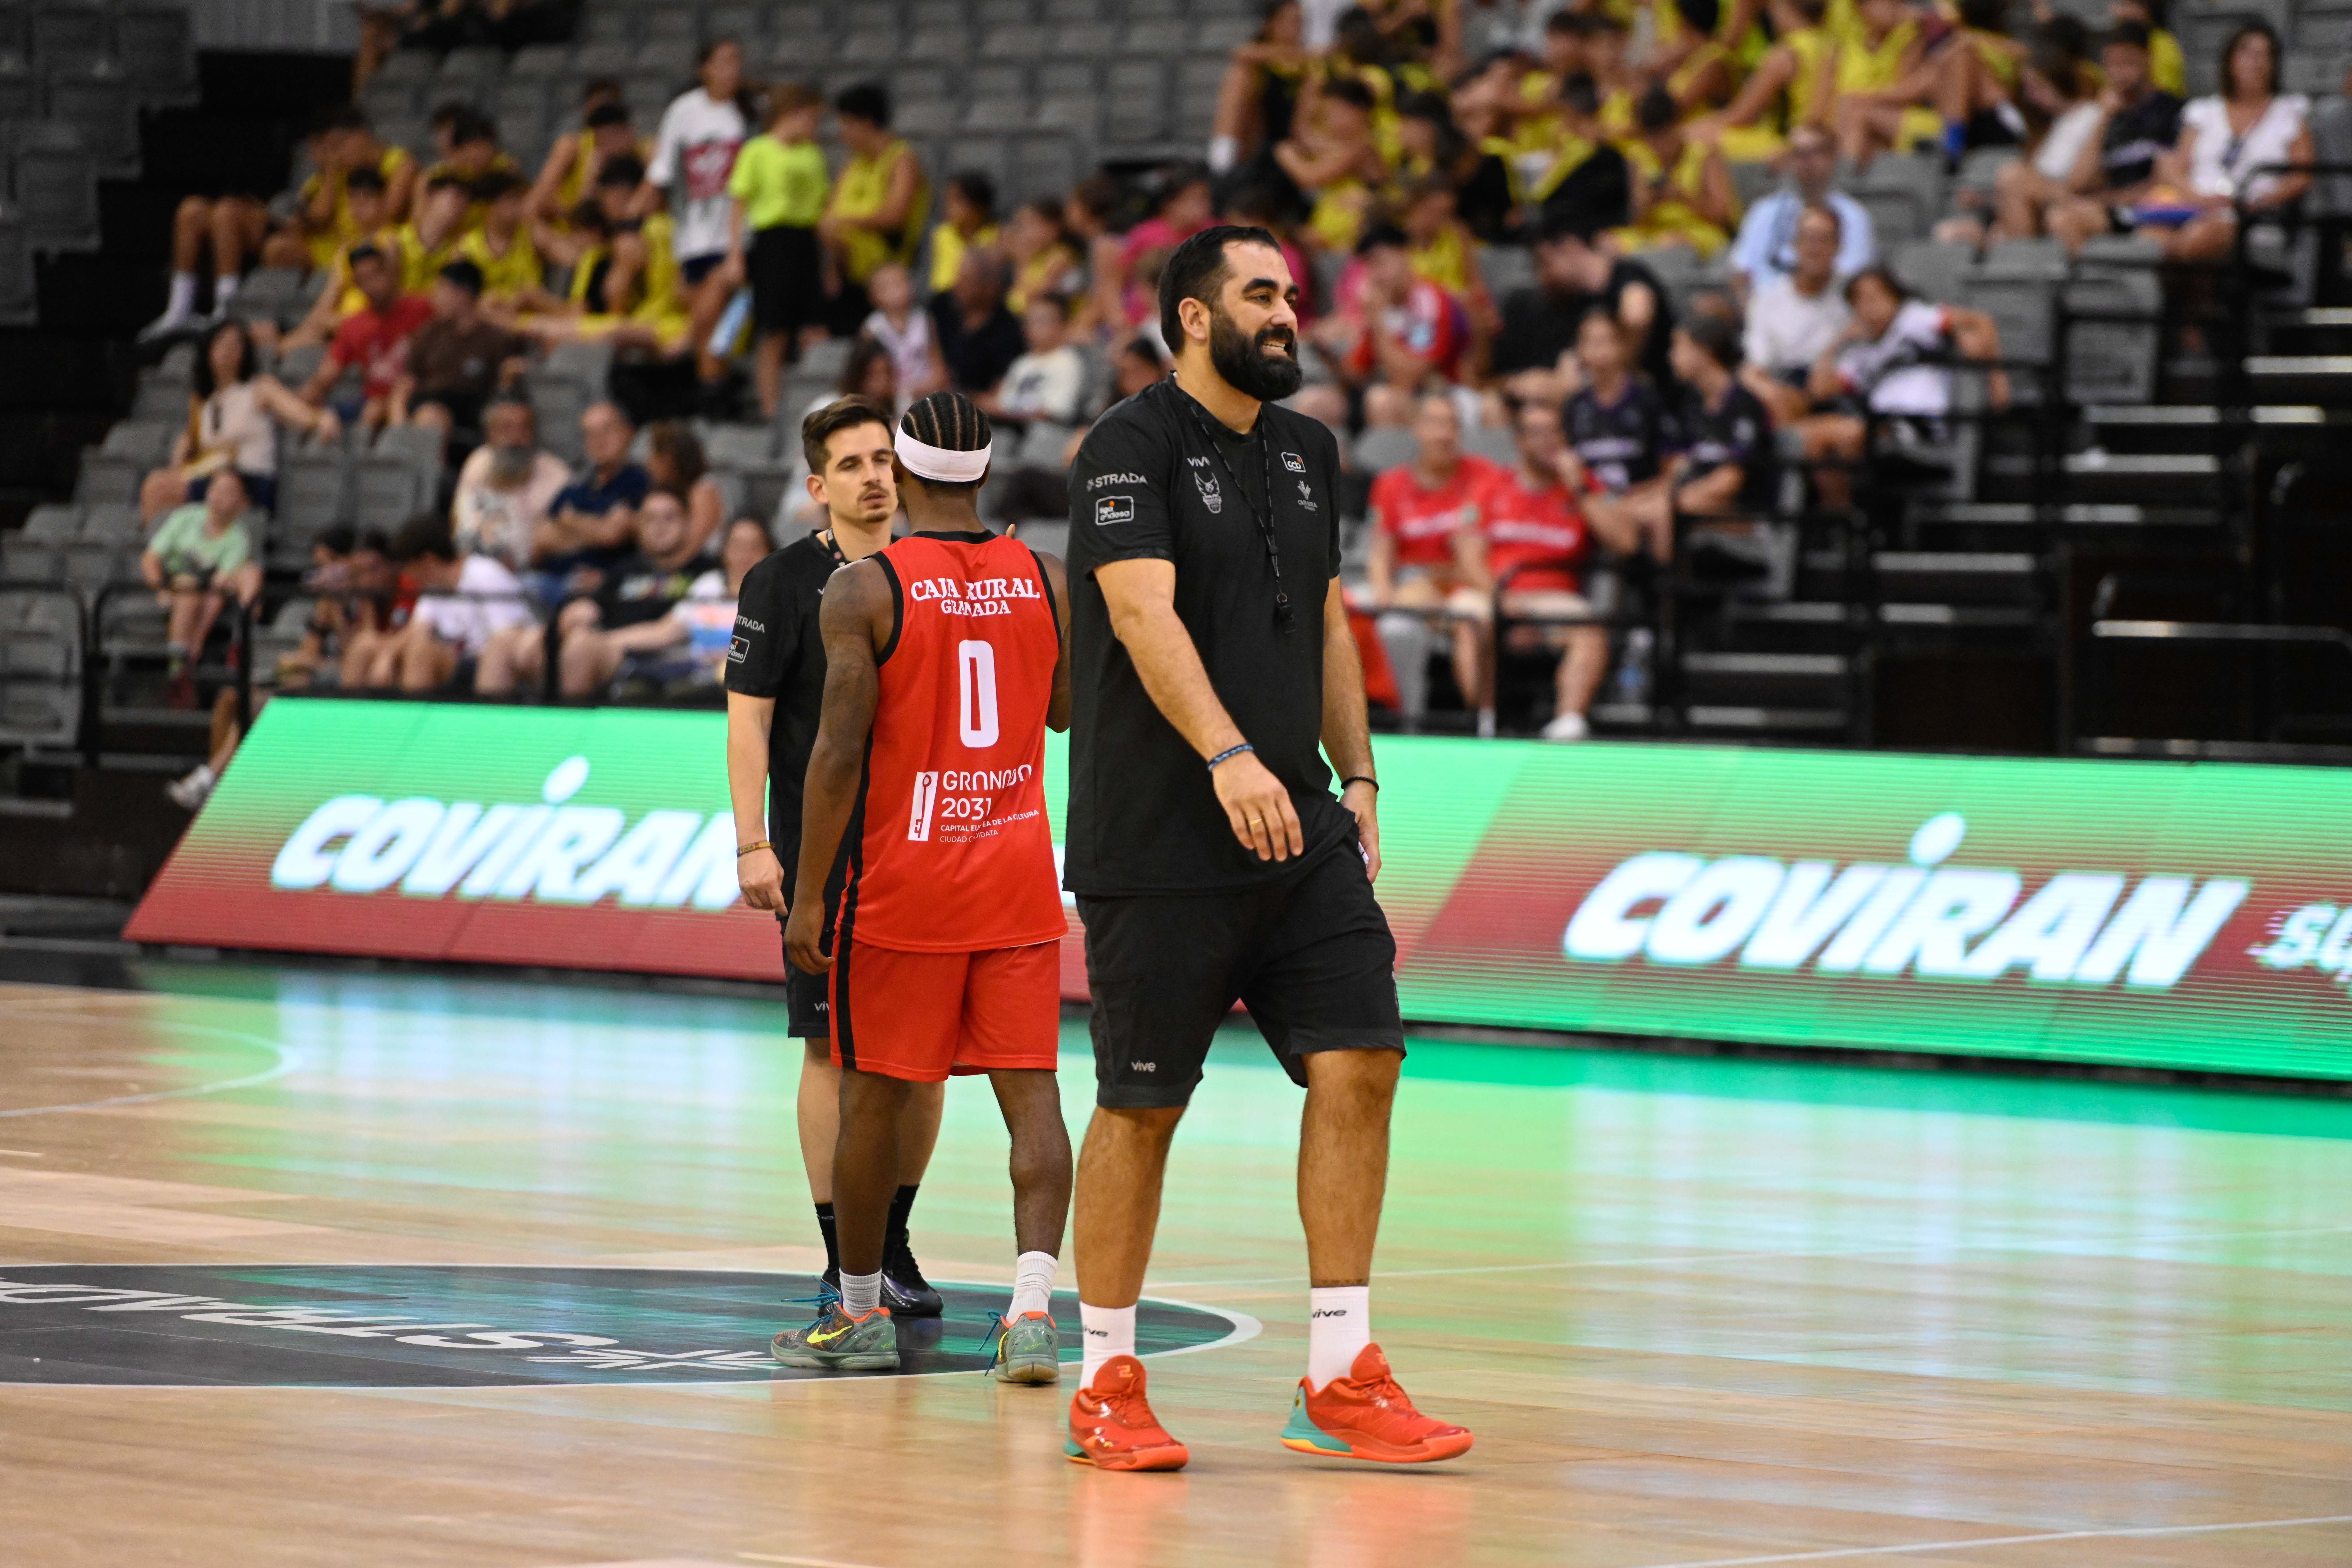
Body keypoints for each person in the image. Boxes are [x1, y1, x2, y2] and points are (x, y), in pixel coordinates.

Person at [1059, 225, 1471, 1469]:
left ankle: (1340, 1372)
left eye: (1291, 294)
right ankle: (1105, 1379)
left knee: (1364, 1061)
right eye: (1262, 295)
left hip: (1304, 828)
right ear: (1193, 317)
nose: (1290, 313)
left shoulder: (1310, 450)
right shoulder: (1125, 448)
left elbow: (1331, 622)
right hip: (1161, 833)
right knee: (1141, 1105)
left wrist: (1358, 771)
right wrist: (1229, 756)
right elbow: (1138, 613)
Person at [772, 391, 1072, 1379]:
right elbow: (1066, 711)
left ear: (897, 474)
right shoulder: (1045, 575)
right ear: (984, 473)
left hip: (906, 887)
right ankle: (1030, 1313)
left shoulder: (862, 589)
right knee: (1032, 1104)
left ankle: (858, 1312)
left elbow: (835, 755)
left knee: (872, 1106)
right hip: (1018, 878)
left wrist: (809, 893)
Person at [728, 398, 947, 1312]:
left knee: (924, 1058)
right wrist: (753, 841)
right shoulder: (780, 583)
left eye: (882, 461)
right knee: (828, 1051)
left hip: (929, 851)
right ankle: (839, 1253)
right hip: (827, 860)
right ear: (818, 486)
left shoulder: (933, 571)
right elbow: (750, 721)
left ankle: (891, 1243)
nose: (872, 477)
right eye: (851, 464)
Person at [1467, 397, 1621, 740]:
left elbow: (1625, 541)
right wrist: (1500, 599)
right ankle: (1484, 720)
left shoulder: (1585, 484)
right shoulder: (1492, 485)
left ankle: (1569, 722)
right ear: (1520, 441)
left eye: (1556, 432)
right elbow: (1468, 553)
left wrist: (1579, 487)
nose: (1549, 441)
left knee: (1588, 629)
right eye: (1538, 433)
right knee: (1472, 621)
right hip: (1496, 590)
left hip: (1555, 598)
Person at [1797, 264, 2009, 506]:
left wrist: (1997, 381)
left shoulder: (1914, 319)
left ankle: (1849, 523)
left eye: (1876, 297)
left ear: (1894, 297)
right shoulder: (1859, 351)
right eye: (1861, 301)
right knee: (1810, 439)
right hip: (1877, 426)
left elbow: (1980, 321)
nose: (1870, 308)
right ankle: (1842, 520)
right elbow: (1819, 391)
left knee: (1845, 435)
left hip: (1918, 428)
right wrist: (1838, 342)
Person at [478, 485, 703, 698]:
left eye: (669, 518)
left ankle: (565, 734)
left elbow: (669, 632)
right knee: (503, 642)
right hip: (596, 643)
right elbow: (593, 605)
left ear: (688, 523)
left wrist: (600, 640)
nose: (660, 527)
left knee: (580, 646)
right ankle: (487, 736)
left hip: (650, 657)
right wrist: (559, 627)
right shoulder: (624, 569)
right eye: (650, 519)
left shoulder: (704, 572)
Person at [1364, 393, 1494, 725]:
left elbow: (1478, 545)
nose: (1444, 434)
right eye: (1435, 424)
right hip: (1417, 583)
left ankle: (1484, 721)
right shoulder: (1391, 484)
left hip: (1466, 582)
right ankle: (1405, 721)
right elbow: (1382, 549)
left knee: (1473, 619)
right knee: (1394, 625)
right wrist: (1384, 591)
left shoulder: (1482, 476)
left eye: (1452, 425)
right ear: (1416, 429)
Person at [2143, 21, 2310, 262]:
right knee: (2151, 242)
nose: (2255, 62)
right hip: (2196, 204)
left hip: (2249, 212)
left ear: (2275, 64)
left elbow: (2302, 176)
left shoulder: (2290, 112)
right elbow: (2176, 167)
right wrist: (2196, 198)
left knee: (2198, 243)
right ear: (2230, 59)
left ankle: (2198, 299)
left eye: (2264, 55)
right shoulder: (2203, 111)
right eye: (2247, 53)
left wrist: (2260, 202)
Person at [140, 319, 336, 522]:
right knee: (157, 485)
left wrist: (319, 419)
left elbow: (297, 412)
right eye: (222, 345)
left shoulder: (260, 388)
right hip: (213, 478)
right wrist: (179, 460)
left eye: (235, 346)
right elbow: (190, 442)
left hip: (249, 480)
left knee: (167, 487)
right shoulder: (204, 402)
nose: (228, 352)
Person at [650, 38, 751, 388]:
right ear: (704, 68)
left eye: (736, 60)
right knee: (713, 325)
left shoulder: (748, 112)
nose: (731, 69)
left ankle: (687, 348)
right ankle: (712, 388)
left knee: (717, 297)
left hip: (738, 232)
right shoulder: (684, 111)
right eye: (723, 61)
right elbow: (662, 171)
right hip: (694, 234)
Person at [727, 80, 831, 419]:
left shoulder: (812, 154)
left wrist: (828, 263)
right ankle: (771, 410)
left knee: (815, 327)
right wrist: (735, 255)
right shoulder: (757, 151)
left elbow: (821, 208)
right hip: (772, 243)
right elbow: (739, 207)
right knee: (774, 331)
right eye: (810, 119)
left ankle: (822, 406)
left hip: (805, 241)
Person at [2040, 24, 2182, 254]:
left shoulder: (2173, 111)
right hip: (2112, 210)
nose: (2119, 72)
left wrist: (2109, 200)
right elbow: (2078, 183)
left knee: (2154, 238)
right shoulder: (2106, 116)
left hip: (2152, 212)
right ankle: (2094, 289)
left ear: (2147, 59)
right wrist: (2103, 118)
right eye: (2111, 64)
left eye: (2127, 62)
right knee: (2063, 218)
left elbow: (2167, 181)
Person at [351, 513, 533, 692]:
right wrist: (388, 655)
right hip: (457, 660)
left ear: (427, 561)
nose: (408, 576)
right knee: (366, 645)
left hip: (486, 662)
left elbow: (509, 635)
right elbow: (418, 629)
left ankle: (413, 719)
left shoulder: (485, 574)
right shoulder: (434, 589)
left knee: (421, 652)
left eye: (409, 568)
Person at [142, 469, 263, 706]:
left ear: (241, 503)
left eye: (228, 492)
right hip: (174, 582)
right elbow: (151, 558)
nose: (219, 496)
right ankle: (178, 671)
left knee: (197, 594)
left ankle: (187, 664)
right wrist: (161, 588)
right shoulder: (185, 517)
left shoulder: (238, 538)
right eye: (215, 489)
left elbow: (222, 581)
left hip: (209, 593)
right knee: (188, 592)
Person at [820, 83, 929, 334]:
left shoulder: (902, 160)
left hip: (890, 275)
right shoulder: (850, 168)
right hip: (850, 277)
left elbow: (895, 215)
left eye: (847, 125)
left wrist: (845, 222)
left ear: (867, 123)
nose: (842, 134)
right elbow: (829, 218)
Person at [1724, 123, 1875, 302]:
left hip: (1830, 311)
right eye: (1799, 153)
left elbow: (1853, 276)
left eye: (1816, 151)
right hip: (1767, 309)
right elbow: (1743, 270)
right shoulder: (1764, 211)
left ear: (1833, 157)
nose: (1807, 160)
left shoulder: (1855, 216)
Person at [299, 242, 435, 431]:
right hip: (373, 402)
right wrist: (312, 394)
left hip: (419, 397)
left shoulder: (422, 308)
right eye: (364, 279)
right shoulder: (353, 326)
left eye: (376, 274)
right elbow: (326, 375)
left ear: (389, 273)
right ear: (357, 285)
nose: (374, 284)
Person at [1740, 202, 1852, 426]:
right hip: (1783, 388)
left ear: (1838, 246)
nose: (1815, 248)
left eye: (1823, 239)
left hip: (1837, 392)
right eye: (1808, 239)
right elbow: (1755, 366)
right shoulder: (1768, 299)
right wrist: (1774, 394)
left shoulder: (1853, 296)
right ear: (1795, 245)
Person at [389, 260, 527, 437]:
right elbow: (405, 383)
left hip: (472, 412)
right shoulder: (430, 333)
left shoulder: (496, 339)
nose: (435, 298)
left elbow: (506, 385)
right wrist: (399, 425)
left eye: (442, 290)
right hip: (428, 405)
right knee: (429, 417)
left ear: (463, 294)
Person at [533, 401, 650, 597]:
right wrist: (595, 530)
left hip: (610, 584)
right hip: (555, 580)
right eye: (590, 434)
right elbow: (540, 542)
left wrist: (569, 521)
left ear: (628, 433)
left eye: (607, 430)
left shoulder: (640, 482)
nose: (599, 440)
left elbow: (612, 534)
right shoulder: (576, 487)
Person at [451, 396, 571, 570]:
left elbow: (565, 537)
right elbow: (460, 523)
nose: (516, 438)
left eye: (524, 428)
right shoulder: (479, 463)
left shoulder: (557, 474)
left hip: (534, 571)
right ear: (490, 433)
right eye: (506, 428)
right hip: (478, 567)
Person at [980, 297, 1089, 436]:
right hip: (1010, 431)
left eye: (1042, 321)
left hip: (1046, 436)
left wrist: (1012, 411)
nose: (1034, 327)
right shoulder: (1022, 362)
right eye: (1030, 322)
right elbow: (1003, 402)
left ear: (1063, 325)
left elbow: (1058, 411)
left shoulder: (1067, 362)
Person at [928, 249, 1026, 397]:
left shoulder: (1009, 332)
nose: (957, 285)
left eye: (967, 280)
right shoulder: (940, 306)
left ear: (990, 287)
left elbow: (1000, 390)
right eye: (958, 276)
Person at [859, 262, 938, 412]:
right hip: (887, 399)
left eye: (899, 284)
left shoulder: (925, 321)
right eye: (886, 287)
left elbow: (939, 370)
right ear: (873, 296)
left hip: (923, 396)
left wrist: (915, 390)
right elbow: (865, 374)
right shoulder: (872, 328)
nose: (896, 292)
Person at [926, 170, 1002, 297]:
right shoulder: (940, 235)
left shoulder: (998, 237)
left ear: (977, 206)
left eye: (955, 202)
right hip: (941, 303)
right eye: (947, 201)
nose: (947, 207)